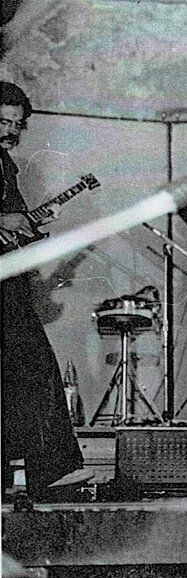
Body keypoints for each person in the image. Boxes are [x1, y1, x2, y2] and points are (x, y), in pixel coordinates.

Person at [1, 81, 90, 500]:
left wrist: (34, 227)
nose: (10, 130)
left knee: (28, 371)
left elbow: (15, 224)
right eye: (3, 121)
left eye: (16, 124)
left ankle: (44, 472)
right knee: (34, 366)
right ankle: (49, 470)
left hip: (9, 283)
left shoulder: (7, 166)